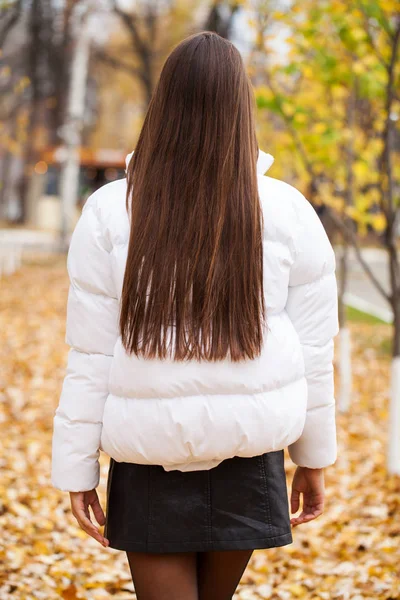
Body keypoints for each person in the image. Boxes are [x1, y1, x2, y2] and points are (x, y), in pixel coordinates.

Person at [51, 31, 339, 600]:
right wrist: (314, 459)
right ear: (241, 107)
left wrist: (77, 470)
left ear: (164, 106)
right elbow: (313, 350)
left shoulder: (111, 210)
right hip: (249, 453)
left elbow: (90, 353)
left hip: (148, 455)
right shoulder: (287, 211)